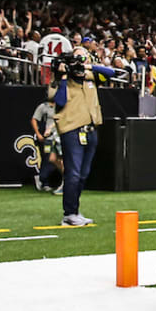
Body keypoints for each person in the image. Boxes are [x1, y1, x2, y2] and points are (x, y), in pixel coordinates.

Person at [49, 47, 115, 226]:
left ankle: (75, 211)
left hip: (91, 129)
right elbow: (60, 101)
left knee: (84, 174)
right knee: (74, 173)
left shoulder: (91, 76)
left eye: (83, 56)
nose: (80, 59)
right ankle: (69, 213)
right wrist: (63, 76)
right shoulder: (60, 80)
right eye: (77, 56)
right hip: (72, 129)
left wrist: (88, 67)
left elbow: (111, 72)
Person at [30, 94, 62, 192]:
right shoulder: (43, 106)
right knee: (48, 159)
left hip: (59, 136)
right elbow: (34, 119)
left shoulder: (62, 106)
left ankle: (44, 179)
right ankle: (43, 180)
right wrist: (38, 134)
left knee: (58, 159)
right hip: (49, 137)